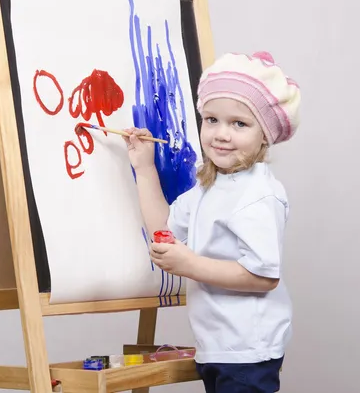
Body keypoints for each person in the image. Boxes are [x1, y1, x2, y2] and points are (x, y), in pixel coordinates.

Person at [123, 51, 301, 392]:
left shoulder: (258, 195)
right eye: (211, 119)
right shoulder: (210, 185)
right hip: (219, 347)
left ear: (265, 134)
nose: (221, 134)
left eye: (239, 124)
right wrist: (145, 169)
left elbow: (262, 277)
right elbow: (167, 227)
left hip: (248, 350)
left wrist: (188, 263)